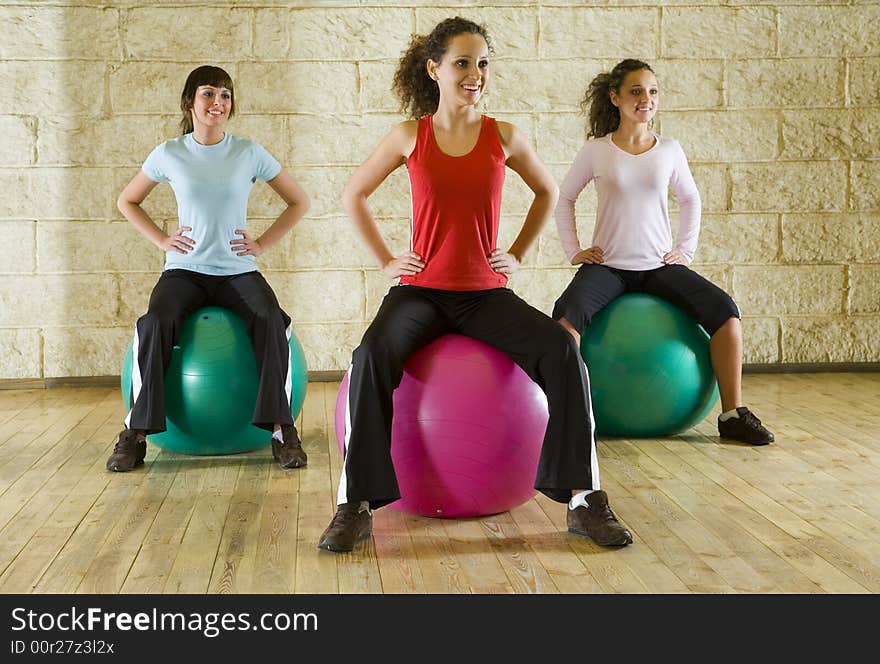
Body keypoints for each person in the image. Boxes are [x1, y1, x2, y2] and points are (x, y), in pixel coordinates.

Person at [319, 17, 632, 553]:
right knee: (370, 355)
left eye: (482, 63)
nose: (474, 74)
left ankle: (585, 500)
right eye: (462, 62)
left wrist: (518, 252)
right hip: (421, 293)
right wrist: (387, 260)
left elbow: (547, 192)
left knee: (562, 349)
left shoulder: (502, 136)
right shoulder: (409, 136)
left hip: (485, 294)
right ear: (433, 69)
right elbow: (354, 194)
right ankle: (354, 506)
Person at [553, 59, 774, 445]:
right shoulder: (597, 151)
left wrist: (683, 251)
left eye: (652, 92)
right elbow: (564, 199)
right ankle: (571, 419)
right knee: (565, 323)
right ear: (615, 97)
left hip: (657, 266)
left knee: (727, 313)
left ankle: (733, 414)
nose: (646, 99)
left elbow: (691, 199)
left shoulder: (669, 150)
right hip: (608, 268)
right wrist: (575, 251)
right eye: (636, 91)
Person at [107, 65, 311, 472]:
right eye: (208, 94)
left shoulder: (248, 151)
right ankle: (136, 433)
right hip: (184, 270)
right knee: (154, 322)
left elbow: (298, 201)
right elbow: (127, 201)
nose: (218, 103)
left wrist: (261, 243)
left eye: (225, 96)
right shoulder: (169, 152)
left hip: (237, 269)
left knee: (272, 320)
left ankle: (281, 430)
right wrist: (163, 240)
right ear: (190, 101)